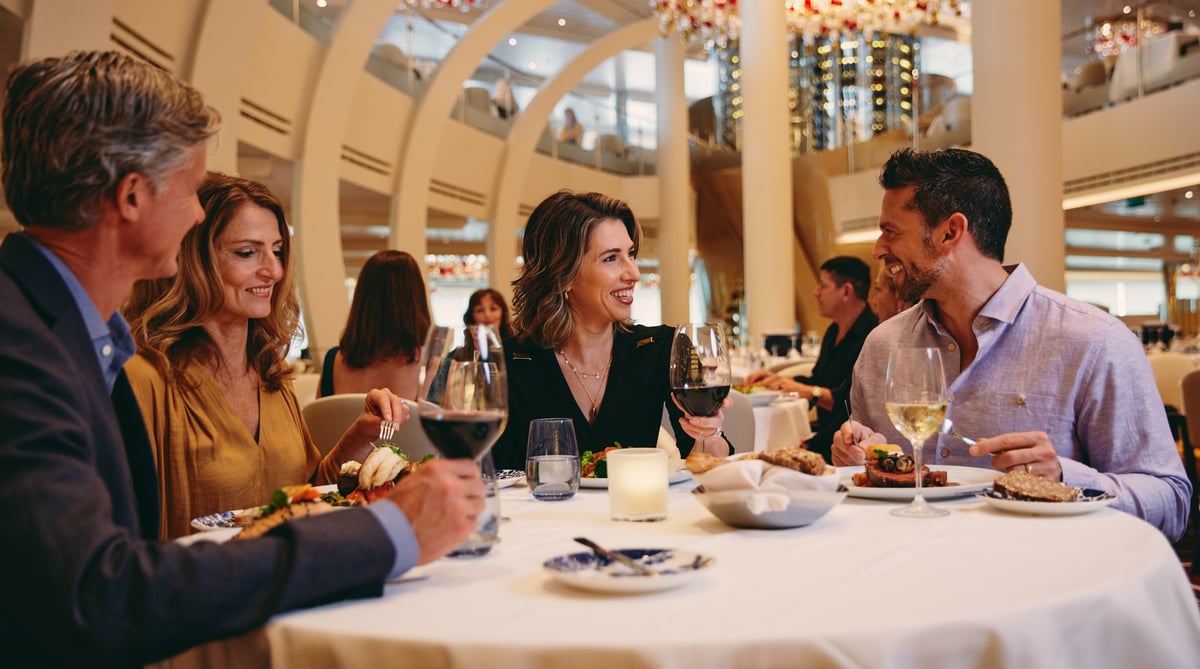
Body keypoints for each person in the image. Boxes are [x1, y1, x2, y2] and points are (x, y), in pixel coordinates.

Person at [0, 50, 483, 666]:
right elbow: (102, 593)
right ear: (130, 197)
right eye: (187, 189)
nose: (197, 213)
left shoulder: (65, 334)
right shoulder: (25, 351)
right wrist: (389, 532)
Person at [833, 148, 1191, 540]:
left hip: (1042, 581)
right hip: (900, 573)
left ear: (950, 232)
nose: (878, 250)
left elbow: (1171, 503)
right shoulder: (882, 345)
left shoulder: (1095, 342)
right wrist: (858, 462)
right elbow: (861, 490)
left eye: (891, 231)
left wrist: (1064, 480)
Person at [123, 174, 402, 538]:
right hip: (206, 588)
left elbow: (306, 491)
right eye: (247, 252)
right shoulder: (144, 376)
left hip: (291, 582)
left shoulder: (270, 371)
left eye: (277, 250)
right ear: (192, 258)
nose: (274, 270)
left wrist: (359, 438)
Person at [489, 190, 732, 471]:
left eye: (630, 254)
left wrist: (709, 433)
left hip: (637, 512)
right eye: (610, 259)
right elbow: (491, 478)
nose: (634, 273)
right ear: (563, 274)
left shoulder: (662, 348)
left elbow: (707, 463)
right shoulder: (507, 365)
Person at [742, 256, 878, 461]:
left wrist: (811, 443)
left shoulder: (873, 335)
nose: (816, 292)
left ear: (846, 291)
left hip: (850, 447)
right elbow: (819, 381)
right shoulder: (833, 331)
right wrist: (779, 381)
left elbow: (849, 402)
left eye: (823, 285)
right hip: (825, 438)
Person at [318, 249, 431, 400]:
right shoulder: (430, 363)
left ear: (362, 299)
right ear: (416, 299)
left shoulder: (333, 360)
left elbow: (318, 421)